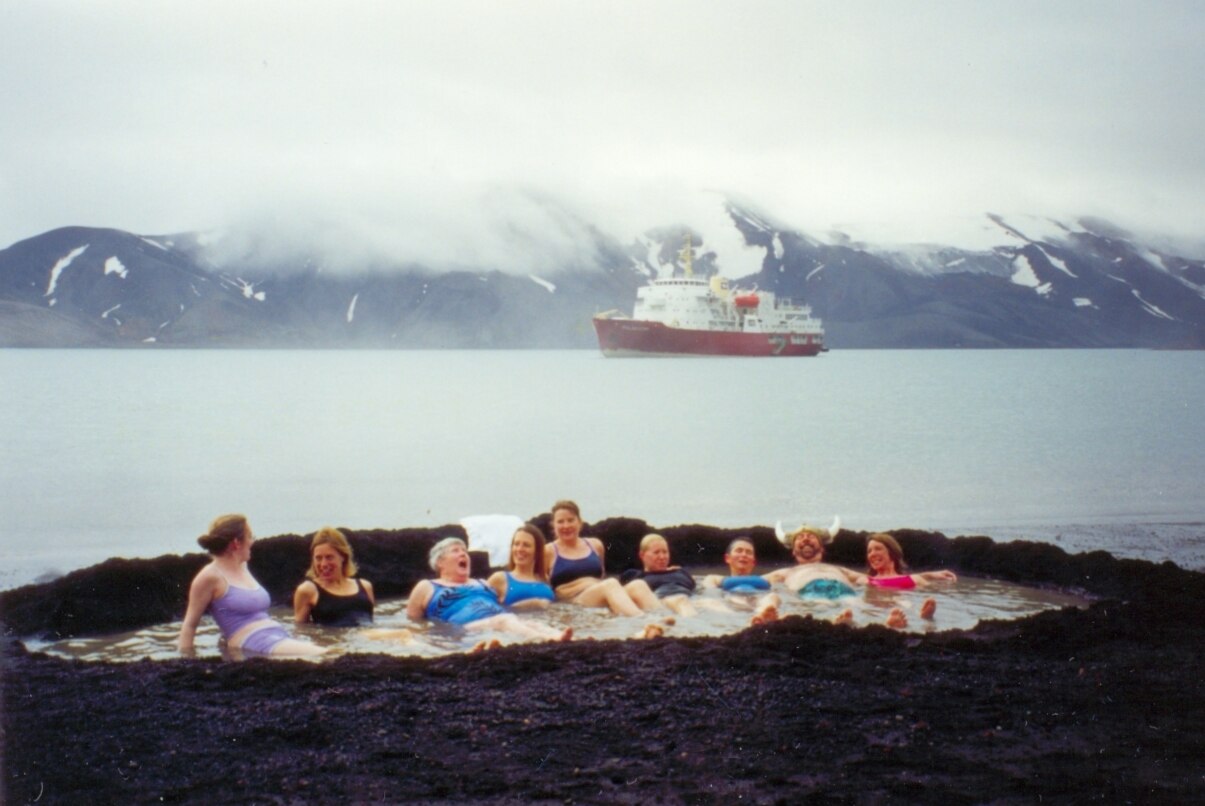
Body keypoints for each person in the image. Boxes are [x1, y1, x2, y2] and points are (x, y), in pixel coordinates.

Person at [178, 514, 327, 657]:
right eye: (250, 537)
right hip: (253, 642)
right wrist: (187, 664)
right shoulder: (209, 577)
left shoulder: (243, 566)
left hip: (276, 635)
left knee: (331, 651)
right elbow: (189, 625)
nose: (253, 541)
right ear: (236, 543)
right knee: (326, 654)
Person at [407, 537, 571, 645]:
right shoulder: (427, 586)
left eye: (464, 551)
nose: (463, 554)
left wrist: (531, 603)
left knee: (530, 623)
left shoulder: (482, 583)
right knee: (504, 621)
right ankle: (546, 641)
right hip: (464, 629)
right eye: (456, 551)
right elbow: (414, 623)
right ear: (440, 562)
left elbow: (506, 604)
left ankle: (571, 639)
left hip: (500, 619)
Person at [544, 500, 662, 616]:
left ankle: (665, 620)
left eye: (571, 520)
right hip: (573, 601)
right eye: (560, 521)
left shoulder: (595, 545)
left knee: (638, 585)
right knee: (610, 583)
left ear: (579, 522)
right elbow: (543, 586)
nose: (566, 525)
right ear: (553, 525)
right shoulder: (548, 551)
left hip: (601, 593)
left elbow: (601, 576)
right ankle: (642, 619)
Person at [863, 532, 956, 624]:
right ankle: (892, 623)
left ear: (892, 552)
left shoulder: (914, 579)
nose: (872, 554)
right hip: (877, 609)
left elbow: (932, 589)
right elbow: (848, 573)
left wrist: (933, 576)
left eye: (878, 549)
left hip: (902, 606)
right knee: (895, 600)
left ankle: (922, 616)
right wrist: (930, 574)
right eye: (869, 551)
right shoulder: (867, 579)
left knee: (903, 601)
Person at [293, 526, 375, 626]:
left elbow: (371, 622)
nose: (323, 564)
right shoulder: (307, 590)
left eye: (329, 557)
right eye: (318, 558)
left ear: (343, 557)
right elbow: (300, 629)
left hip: (366, 639)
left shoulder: (365, 586)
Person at [701, 537, 781, 624]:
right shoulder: (715, 578)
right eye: (739, 551)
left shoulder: (766, 579)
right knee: (707, 601)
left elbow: (780, 586)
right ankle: (747, 621)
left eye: (748, 552)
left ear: (753, 561)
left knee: (773, 597)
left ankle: (762, 616)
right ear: (727, 558)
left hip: (757, 600)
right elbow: (710, 591)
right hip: (730, 602)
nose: (744, 555)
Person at [620, 533, 700, 616]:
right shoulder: (634, 575)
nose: (662, 557)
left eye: (665, 552)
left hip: (691, 600)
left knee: (710, 602)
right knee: (681, 600)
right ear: (642, 555)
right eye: (656, 552)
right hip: (660, 601)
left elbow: (698, 590)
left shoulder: (680, 572)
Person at [486, 523, 556, 609]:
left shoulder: (544, 578)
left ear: (537, 551)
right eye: (516, 544)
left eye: (526, 545)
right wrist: (532, 604)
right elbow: (480, 607)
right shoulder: (500, 579)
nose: (519, 549)